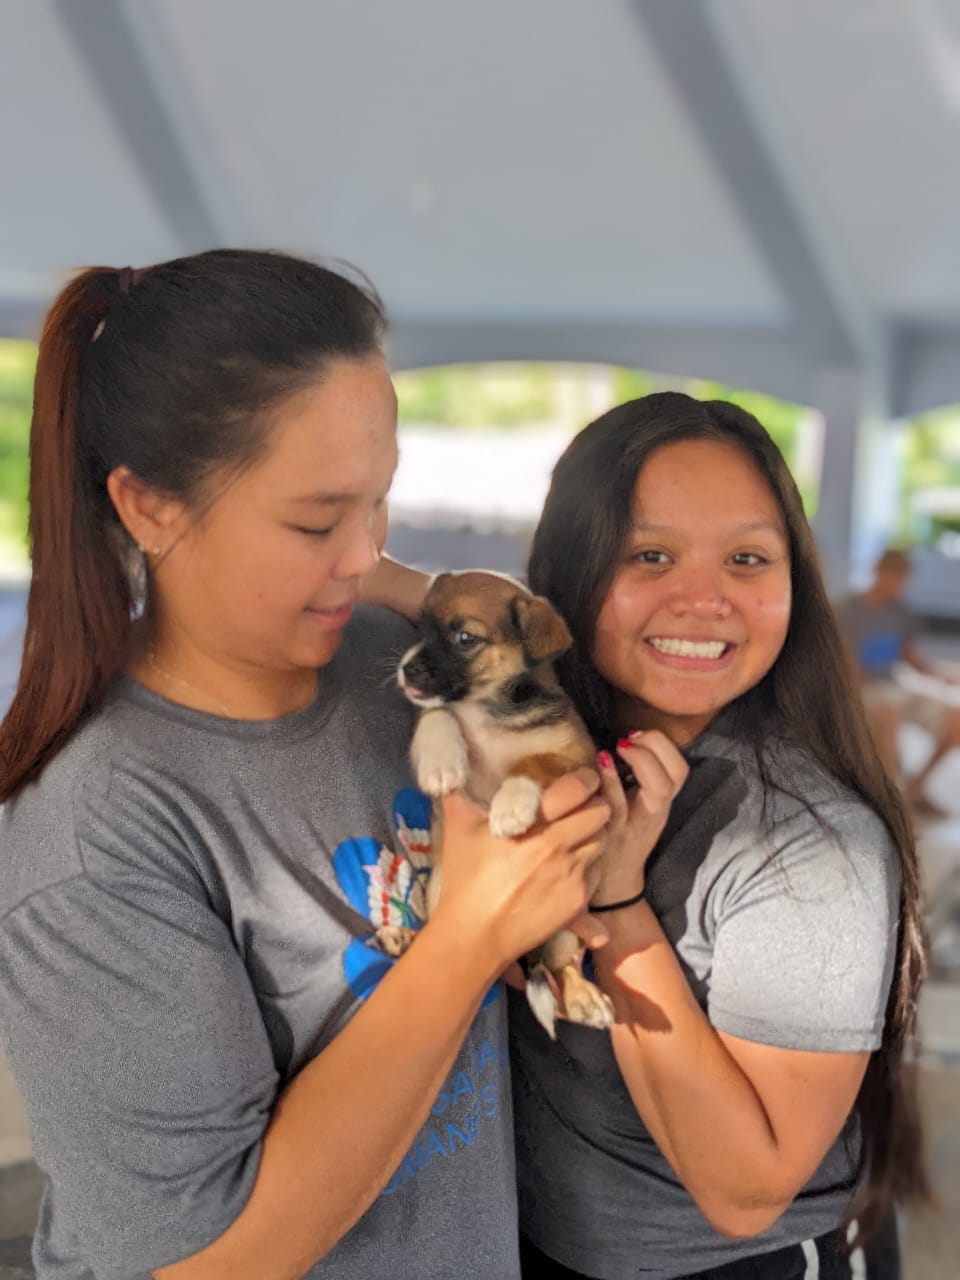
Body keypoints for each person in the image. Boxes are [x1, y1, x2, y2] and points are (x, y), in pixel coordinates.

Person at [0, 250, 615, 1280]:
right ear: (148, 506)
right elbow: (204, 1261)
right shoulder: (98, 831)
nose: (362, 549)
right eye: (316, 519)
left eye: (379, 503)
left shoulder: (392, 672)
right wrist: (466, 937)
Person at [367, 392, 928, 1279]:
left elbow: (748, 1193)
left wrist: (621, 903)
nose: (704, 599)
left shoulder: (809, 842)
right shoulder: (532, 725)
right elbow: (355, 575)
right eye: (651, 555)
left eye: (748, 557)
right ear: (563, 578)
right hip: (529, 1242)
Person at [835, 547, 960, 814]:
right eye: (894, 577)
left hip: (893, 686)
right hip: (859, 690)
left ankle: (915, 789)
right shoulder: (846, 611)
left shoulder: (901, 611)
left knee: (954, 719)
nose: (898, 585)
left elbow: (910, 657)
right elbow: (845, 669)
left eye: (903, 579)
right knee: (887, 713)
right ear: (877, 572)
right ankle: (890, 798)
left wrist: (942, 676)